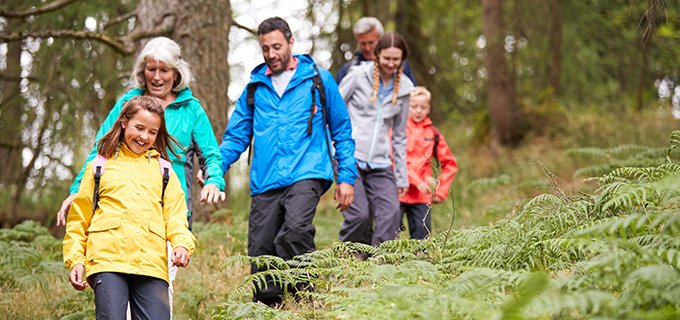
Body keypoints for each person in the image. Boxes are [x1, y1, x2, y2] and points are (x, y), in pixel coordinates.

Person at [55, 36, 224, 314]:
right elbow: (99, 151)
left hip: (166, 214)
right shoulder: (128, 103)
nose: (157, 76)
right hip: (117, 211)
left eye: (164, 70)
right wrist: (76, 189)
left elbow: (211, 154)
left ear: (176, 72)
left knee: (158, 289)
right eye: (151, 69)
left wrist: (214, 179)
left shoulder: (191, 109)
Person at [219, 17, 357, 305]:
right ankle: (271, 309)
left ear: (291, 42)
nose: (271, 54)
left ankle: (306, 301)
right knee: (261, 250)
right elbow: (235, 137)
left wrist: (346, 177)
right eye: (265, 48)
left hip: (307, 171)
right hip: (265, 179)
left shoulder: (318, 79)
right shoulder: (255, 88)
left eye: (277, 46)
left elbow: (342, 130)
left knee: (295, 231)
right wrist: (215, 170)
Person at [63, 96, 196, 320]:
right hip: (107, 259)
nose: (144, 136)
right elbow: (79, 219)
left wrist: (181, 244)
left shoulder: (164, 171)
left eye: (152, 132)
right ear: (124, 122)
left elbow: (176, 216)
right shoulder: (100, 165)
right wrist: (76, 259)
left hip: (151, 263)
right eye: (139, 128)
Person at [338, 32, 414, 247]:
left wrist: (401, 177)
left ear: (402, 59)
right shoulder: (357, 75)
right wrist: (332, 150)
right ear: (377, 55)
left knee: (391, 214)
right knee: (359, 216)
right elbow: (333, 111)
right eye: (386, 58)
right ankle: (349, 260)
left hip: (381, 162)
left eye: (396, 59)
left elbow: (399, 136)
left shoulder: (405, 89)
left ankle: (378, 268)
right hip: (350, 156)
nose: (391, 64)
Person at [399, 86, 458, 239]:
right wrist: (415, 181)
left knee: (422, 238)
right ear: (407, 106)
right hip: (397, 190)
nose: (418, 110)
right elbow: (393, 159)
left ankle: (419, 260)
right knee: (389, 237)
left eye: (423, 107)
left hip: (421, 195)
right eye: (414, 106)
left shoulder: (433, 133)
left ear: (428, 108)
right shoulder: (398, 129)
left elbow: (450, 163)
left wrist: (440, 191)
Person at [335, 17, 416, 85]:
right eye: (363, 44)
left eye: (371, 43)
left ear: (381, 40)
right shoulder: (348, 70)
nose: (367, 48)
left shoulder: (398, 65)